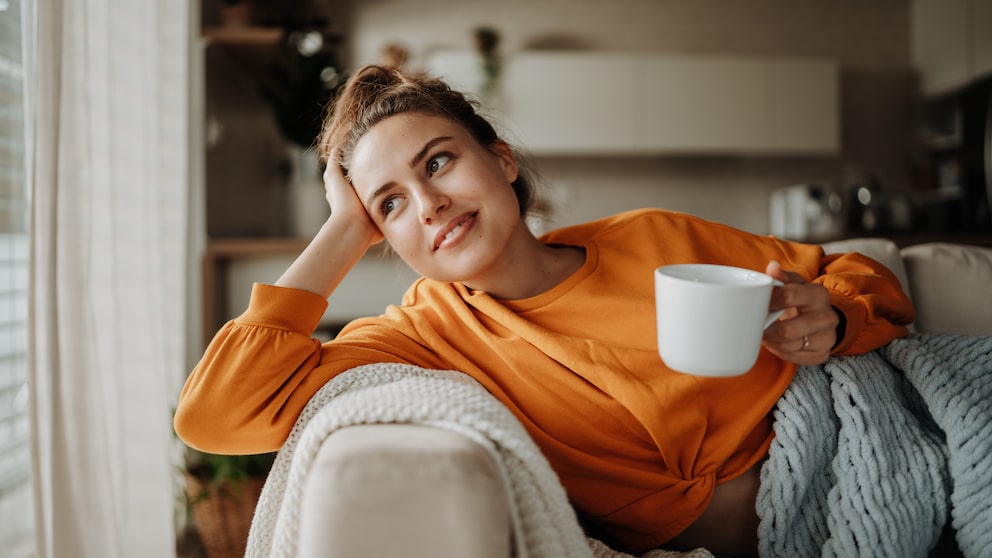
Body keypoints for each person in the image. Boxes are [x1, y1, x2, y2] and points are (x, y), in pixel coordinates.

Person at [174, 64, 914, 557]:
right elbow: (214, 414)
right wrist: (339, 232)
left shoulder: (653, 236)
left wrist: (837, 316)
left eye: (438, 162)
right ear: (380, 236)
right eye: (390, 205)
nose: (429, 204)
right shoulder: (424, 336)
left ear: (500, 161)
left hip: (855, 455)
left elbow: (862, 273)